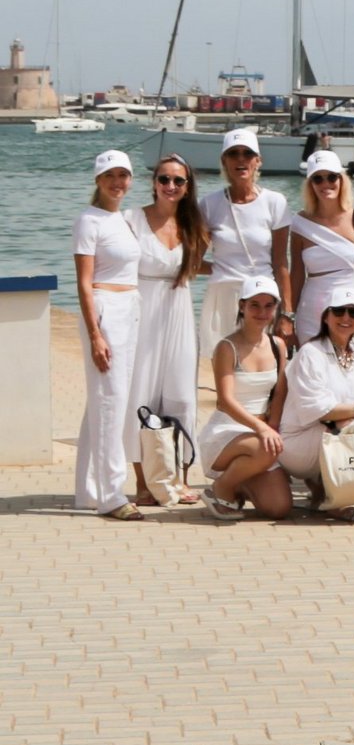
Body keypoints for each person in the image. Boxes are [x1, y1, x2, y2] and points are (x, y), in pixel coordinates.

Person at [125, 154, 208, 506]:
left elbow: (200, 266)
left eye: (179, 181)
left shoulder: (194, 225)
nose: (171, 187)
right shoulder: (131, 220)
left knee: (182, 395)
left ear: (188, 187)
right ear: (153, 182)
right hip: (142, 310)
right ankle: (143, 483)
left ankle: (180, 479)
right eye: (164, 179)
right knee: (140, 393)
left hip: (179, 308)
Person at [278, 285, 354, 522]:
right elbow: (316, 409)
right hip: (299, 441)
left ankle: (324, 487)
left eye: (353, 313)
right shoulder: (311, 353)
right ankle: (336, 499)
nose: (346, 318)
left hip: (337, 432)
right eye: (339, 311)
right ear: (326, 316)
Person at [72, 150, 146, 521]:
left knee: (103, 403)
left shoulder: (124, 220)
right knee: (110, 403)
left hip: (128, 310)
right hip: (105, 310)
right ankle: (112, 495)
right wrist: (95, 333)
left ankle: (89, 490)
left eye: (124, 175)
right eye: (110, 176)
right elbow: (83, 284)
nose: (118, 182)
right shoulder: (89, 220)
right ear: (98, 180)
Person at [199, 275, 294, 521]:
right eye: (254, 305)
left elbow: (281, 391)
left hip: (262, 436)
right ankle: (221, 488)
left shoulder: (278, 345)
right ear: (242, 306)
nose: (262, 312)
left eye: (268, 306)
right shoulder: (226, 347)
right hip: (227, 433)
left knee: (278, 508)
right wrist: (261, 428)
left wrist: (272, 424)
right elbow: (225, 401)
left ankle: (240, 483)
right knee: (266, 447)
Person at [199, 128, 292, 355]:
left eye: (247, 154)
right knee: (224, 368)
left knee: (263, 368)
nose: (241, 159)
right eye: (233, 154)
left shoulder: (275, 202)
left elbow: (280, 264)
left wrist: (287, 313)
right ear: (224, 160)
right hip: (223, 297)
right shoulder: (208, 205)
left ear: (258, 161)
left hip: (263, 299)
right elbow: (193, 262)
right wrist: (223, 268)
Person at [290, 150, 354, 349]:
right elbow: (297, 275)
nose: (325, 184)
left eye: (332, 177)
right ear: (310, 184)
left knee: (347, 372)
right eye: (318, 178)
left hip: (350, 313)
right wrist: (288, 316)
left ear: (342, 180)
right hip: (311, 312)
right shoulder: (299, 223)